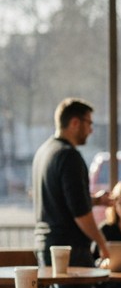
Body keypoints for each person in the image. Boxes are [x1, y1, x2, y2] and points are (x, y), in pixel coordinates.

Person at [32, 97, 110, 266]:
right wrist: (103, 244)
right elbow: (80, 212)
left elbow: (61, 201)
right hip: (70, 252)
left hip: (46, 247)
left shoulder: (44, 152)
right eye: (89, 123)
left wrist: (96, 200)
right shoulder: (69, 156)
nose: (91, 130)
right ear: (75, 122)